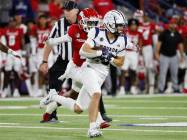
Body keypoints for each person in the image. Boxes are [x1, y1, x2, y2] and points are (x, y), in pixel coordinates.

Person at [41, 10, 127, 138]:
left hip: (101, 72)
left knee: (78, 107)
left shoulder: (121, 39)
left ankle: (54, 97)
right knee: (96, 93)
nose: (121, 28)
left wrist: (109, 58)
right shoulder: (94, 32)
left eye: (122, 25)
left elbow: (120, 62)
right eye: (118, 25)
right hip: (83, 67)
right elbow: (83, 50)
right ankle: (94, 126)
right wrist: (100, 53)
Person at [40, 0, 111, 123]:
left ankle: (51, 106)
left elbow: (100, 40)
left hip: (85, 62)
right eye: (65, 12)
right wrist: (44, 60)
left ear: (77, 12)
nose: (66, 14)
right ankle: (99, 120)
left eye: (69, 12)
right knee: (91, 87)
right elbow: (54, 42)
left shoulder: (90, 25)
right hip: (67, 62)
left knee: (78, 93)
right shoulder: (64, 25)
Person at [155, 18, 184, 93]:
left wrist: (182, 55)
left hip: (174, 56)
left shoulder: (178, 34)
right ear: (169, 25)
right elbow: (158, 44)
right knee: (162, 73)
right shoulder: (164, 33)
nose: (173, 25)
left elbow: (180, 45)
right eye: (171, 24)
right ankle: (161, 88)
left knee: (174, 73)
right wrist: (156, 54)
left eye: (174, 24)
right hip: (164, 56)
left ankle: (175, 87)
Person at [2, 17, 24, 97]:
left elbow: (22, 41)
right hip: (8, 52)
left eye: (13, 22)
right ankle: (4, 89)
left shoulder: (20, 30)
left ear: (16, 22)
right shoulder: (5, 30)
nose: (12, 23)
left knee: (16, 71)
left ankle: (16, 90)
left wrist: (23, 53)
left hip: (17, 52)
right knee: (7, 71)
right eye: (10, 22)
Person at [119, 18, 140, 95]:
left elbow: (140, 43)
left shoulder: (138, 33)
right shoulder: (125, 32)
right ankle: (121, 88)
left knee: (133, 71)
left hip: (134, 53)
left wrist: (138, 52)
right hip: (126, 52)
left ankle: (133, 88)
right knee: (123, 71)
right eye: (132, 25)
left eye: (135, 25)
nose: (133, 26)